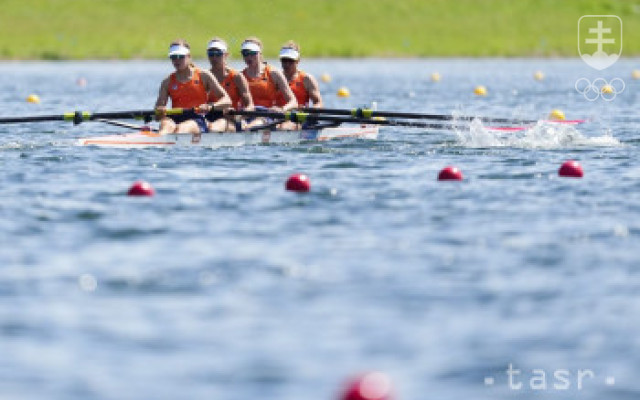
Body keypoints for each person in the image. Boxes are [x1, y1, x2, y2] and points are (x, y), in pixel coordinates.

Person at [154, 39, 230, 134]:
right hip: (174, 118)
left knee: (181, 129)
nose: (177, 60)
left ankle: (172, 139)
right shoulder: (167, 81)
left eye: (180, 57)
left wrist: (211, 106)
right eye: (173, 57)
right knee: (165, 125)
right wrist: (159, 112)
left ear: (189, 57)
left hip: (197, 119)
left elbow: (227, 101)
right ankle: (157, 140)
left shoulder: (204, 75)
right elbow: (157, 117)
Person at [240, 37, 297, 129]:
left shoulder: (273, 73)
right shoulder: (240, 76)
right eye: (245, 54)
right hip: (246, 115)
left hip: (268, 116)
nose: (248, 57)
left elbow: (293, 102)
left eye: (252, 53)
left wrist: (282, 109)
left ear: (260, 53)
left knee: (249, 127)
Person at [205, 37, 254, 132]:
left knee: (213, 128)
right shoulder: (204, 76)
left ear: (226, 55)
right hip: (209, 117)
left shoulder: (236, 77)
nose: (214, 58)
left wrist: (238, 116)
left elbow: (250, 107)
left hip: (231, 118)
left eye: (218, 54)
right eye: (211, 54)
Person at [276, 40, 323, 129]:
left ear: (298, 61)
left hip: (298, 118)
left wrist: (311, 112)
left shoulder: (306, 79)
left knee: (283, 127)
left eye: (290, 61)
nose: (286, 64)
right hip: (279, 116)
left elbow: (318, 103)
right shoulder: (276, 78)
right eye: (284, 60)